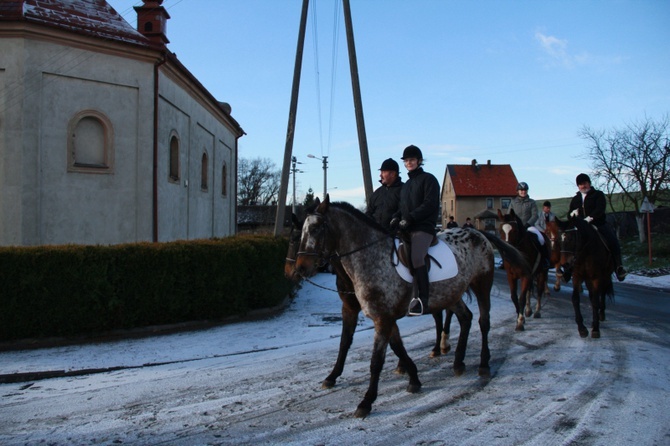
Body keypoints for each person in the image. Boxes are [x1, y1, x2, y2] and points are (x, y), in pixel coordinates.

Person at [390, 145, 440, 316]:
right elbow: (402, 207)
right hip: (407, 227)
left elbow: (429, 204)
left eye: (411, 160)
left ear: (419, 161)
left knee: (417, 257)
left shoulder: (429, 179)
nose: (409, 163)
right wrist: (396, 217)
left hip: (423, 227)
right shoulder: (407, 185)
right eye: (406, 161)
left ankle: (422, 300)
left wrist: (410, 218)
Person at [568, 173, 627, 281]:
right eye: (580, 184)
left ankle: (619, 267)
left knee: (612, 240)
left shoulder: (598, 194)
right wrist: (572, 214)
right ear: (578, 186)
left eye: (585, 183)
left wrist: (591, 218)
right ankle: (568, 268)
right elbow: (569, 214)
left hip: (598, 224)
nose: (583, 186)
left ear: (589, 183)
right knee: (567, 242)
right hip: (581, 228)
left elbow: (600, 209)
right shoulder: (575, 199)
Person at [508, 182, 551, 269]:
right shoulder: (513, 202)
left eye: (525, 190)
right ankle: (506, 260)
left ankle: (545, 260)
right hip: (516, 227)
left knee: (541, 239)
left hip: (529, 226)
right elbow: (509, 215)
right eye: (521, 190)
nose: (523, 192)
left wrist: (527, 224)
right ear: (518, 191)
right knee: (507, 239)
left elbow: (535, 215)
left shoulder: (532, 202)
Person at [366, 158, 403, 232]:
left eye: (383, 172)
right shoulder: (377, 193)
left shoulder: (404, 190)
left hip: (396, 235)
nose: (380, 175)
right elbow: (369, 212)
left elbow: (405, 210)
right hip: (375, 235)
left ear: (392, 174)